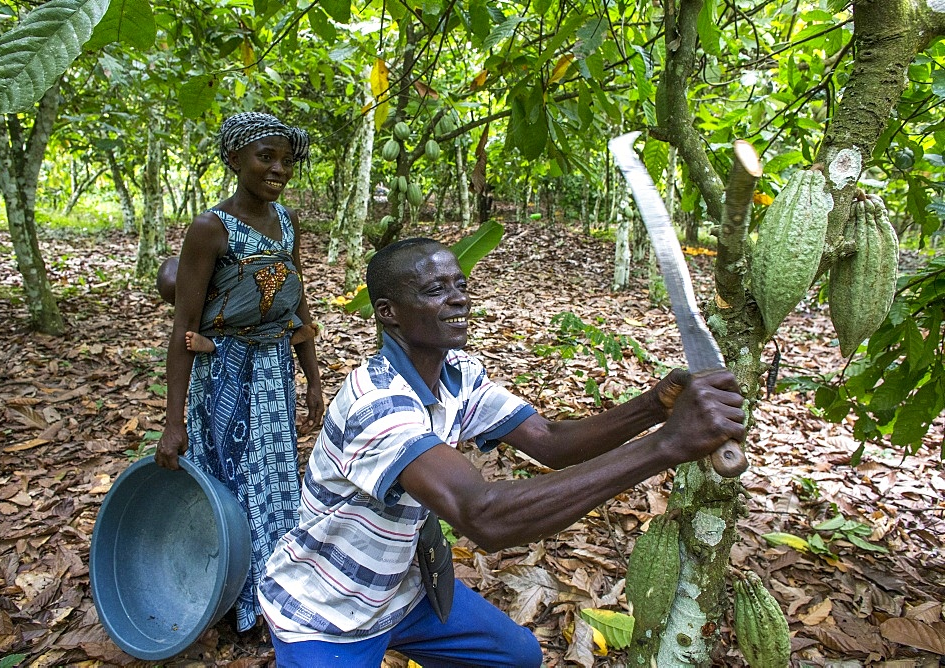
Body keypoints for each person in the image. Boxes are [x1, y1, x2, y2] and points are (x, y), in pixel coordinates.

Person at [257, 238, 747, 666]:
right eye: (434, 291)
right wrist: (667, 446)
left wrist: (655, 406)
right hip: (327, 609)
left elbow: (551, 442)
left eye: (460, 285)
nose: (458, 301)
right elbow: (484, 516)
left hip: (402, 591)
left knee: (516, 657)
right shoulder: (375, 404)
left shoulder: (457, 373)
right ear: (388, 312)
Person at [154, 111, 324, 634]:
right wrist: (173, 421)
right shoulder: (211, 228)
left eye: (286, 161)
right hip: (221, 372)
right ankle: (224, 596)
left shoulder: (288, 222)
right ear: (234, 160)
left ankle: (270, 595)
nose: (278, 169)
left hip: (273, 371)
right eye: (265, 157)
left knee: (273, 483)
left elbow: (297, 309)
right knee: (227, 477)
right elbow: (184, 326)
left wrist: (313, 380)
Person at [157, 255, 318, 353]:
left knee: (272, 321)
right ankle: (207, 345)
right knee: (207, 336)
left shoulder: (214, 279)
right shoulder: (194, 314)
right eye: (174, 302)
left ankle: (291, 336)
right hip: (221, 337)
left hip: (255, 321)